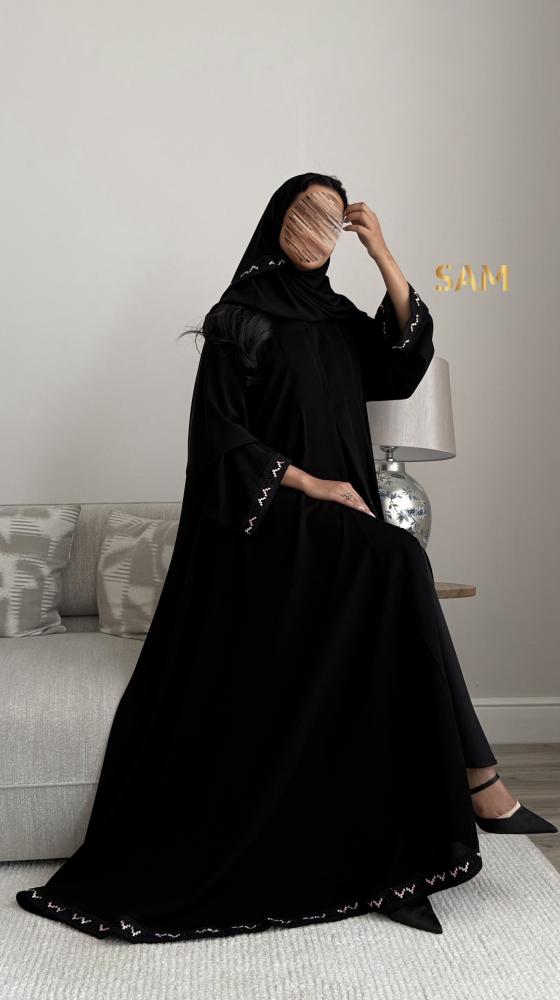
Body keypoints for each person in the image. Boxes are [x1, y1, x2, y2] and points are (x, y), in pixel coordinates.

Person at [16, 171, 557, 943]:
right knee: (399, 560)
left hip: (338, 520)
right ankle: (481, 782)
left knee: (393, 583)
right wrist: (312, 483)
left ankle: (422, 827)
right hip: (266, 522)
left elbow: (400, 365)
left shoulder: (337, 317)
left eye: (334, 220)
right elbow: (217, 438)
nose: (318, 231)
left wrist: (384, 254)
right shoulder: (239, 318)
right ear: (277, 221)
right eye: (307, 214)